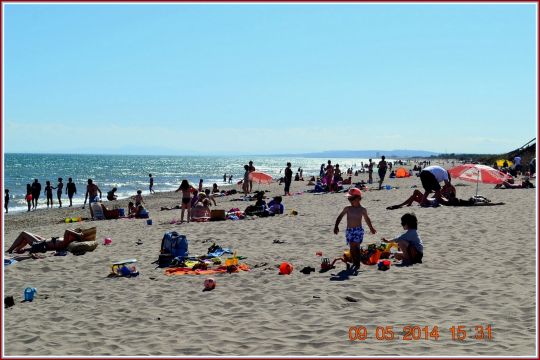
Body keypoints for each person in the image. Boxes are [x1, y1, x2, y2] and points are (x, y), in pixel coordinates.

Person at [333, 188, 377, 271]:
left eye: (351, 198)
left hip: (358, 230)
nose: (349, 200)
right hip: (349, 230)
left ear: (358, 198)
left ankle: (357, 263)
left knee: (355, 246)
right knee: (352, 248)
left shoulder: (362, 210)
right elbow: (340, 217)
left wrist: (371, 228)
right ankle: (354, 261)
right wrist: (336, 226)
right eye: (349, 199)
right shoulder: (347, 208)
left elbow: (367, 219)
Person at [7, 228, 84, 254]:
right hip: (43, 242)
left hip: (41, 245)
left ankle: (10, 250)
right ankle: (17, 250)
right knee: (28, 236)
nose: (73, 230)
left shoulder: (67, 241)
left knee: (23, 233)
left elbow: (67, 230)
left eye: (74, 231)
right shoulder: (67, 240)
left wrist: (78, 234)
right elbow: (69, 231)